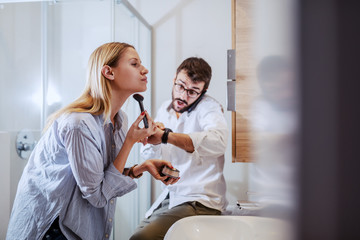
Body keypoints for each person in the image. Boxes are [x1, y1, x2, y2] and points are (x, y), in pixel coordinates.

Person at [6, 42, 176, 240]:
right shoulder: (78, 124)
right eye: (134, 64)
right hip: (51, 230)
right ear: (108, 72)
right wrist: (130, 141)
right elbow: (97, 195)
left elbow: (104, 176)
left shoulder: (120, 120)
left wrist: (142, 167)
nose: (144, 69)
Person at [130, 57, 229, 240]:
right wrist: (153, 140)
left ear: (203, 92)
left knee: (142, 238)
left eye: (192, 91)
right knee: (135, 236)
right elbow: (148, 154)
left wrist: (166, 136)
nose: (183, 96)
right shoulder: (164, 109)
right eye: (181, 86)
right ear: (174, 78)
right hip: (170, 197)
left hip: (200, 200)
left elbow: (219, 141)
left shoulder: (210, 107)